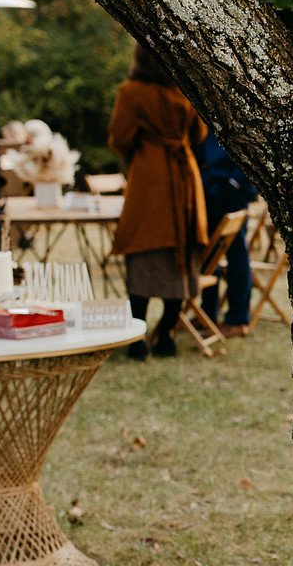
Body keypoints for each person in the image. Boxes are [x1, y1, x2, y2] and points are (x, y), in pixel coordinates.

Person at [108, 44, 208, 360]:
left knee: (143, 248)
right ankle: (165, 335)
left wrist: (142, 145)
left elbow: (119, 137)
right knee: (178, 250)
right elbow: (200, 134)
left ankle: (138, 339)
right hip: (183, 176)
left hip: (150, 180)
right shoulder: (185, 89)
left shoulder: (131, 91)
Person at [198, 131, 256, 337]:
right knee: (208, 253)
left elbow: (251, 141)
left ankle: (238, 319)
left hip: (231, 188)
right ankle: (207, 314)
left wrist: (235, 182)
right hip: (206, 188)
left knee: (237, 254)